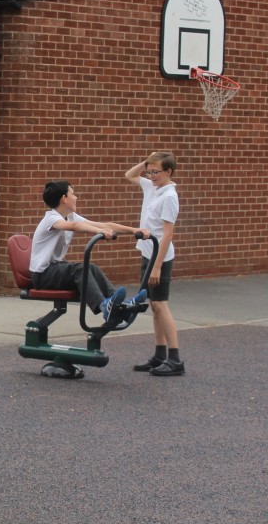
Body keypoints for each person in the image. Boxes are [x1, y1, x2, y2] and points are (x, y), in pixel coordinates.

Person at [29, 180, 142, 326]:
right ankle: (104, 307)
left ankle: (121, 307)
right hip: (42, 275)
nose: (76, 197)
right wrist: (99, 231)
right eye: (73, 194)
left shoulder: (70, 216)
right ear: (64, 198)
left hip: (54, 269)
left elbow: (105, 225)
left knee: (91, 267)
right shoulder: (51, 218)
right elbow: (74, 226)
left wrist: (134, 230)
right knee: (80, 269)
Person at [124, 152, 184, 376]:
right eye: (149, 172)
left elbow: (168, 234)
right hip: (148, 253)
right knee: (154, 305)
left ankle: (175, 359)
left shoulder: (169, 196)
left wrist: (157, 266)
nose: (151, 176)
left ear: (169, 171)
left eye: (155, 172)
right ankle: (159, 355)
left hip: (161, 257)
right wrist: (147, 161)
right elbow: (129, 175)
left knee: (160, 304)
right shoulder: (151, 187)